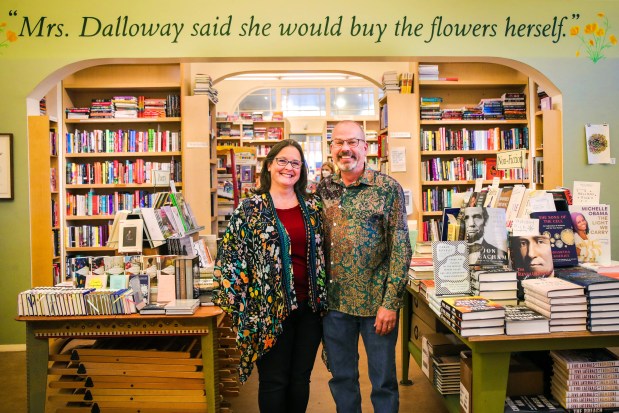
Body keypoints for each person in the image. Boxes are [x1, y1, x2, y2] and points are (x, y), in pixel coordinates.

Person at [213, 139, 327, 413]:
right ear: (269, 165)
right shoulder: (249, 210)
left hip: (309, 309)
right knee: (274, 381)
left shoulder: (313, 208)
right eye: (282, 161)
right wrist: (239, 306)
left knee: (300, 379)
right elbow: (230, 258)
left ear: (302, 169)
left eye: (295, 163)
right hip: (267, 312)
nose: (289, 168)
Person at [316, 120, 412, 413]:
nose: (346, 149)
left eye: (353, 142)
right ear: (332, 148)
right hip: (334, 305)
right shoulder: (323, 190)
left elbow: (400, 247)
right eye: (339, 143)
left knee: (383, 382)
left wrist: (391, 303)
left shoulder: (387, 189)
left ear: (365, 147)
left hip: (376, 306)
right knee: (342, 379)